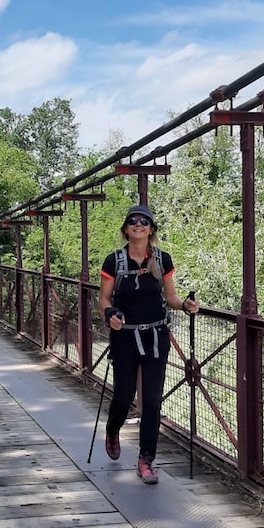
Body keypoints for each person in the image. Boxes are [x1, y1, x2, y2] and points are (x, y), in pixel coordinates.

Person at [98, 204, 199, 484]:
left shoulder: (163, 260)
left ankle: (146, 460)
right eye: (133, 221)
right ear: (126, 229)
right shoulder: (113, 261)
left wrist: (186, 305)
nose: (138, 224)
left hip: (156, 337)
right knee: (124, 395)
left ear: (151, 229)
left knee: (152, 400)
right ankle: (112, 428)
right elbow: (103, 300)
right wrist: (109, 315)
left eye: (144, 221)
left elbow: (171, 298)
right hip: (125, 336)